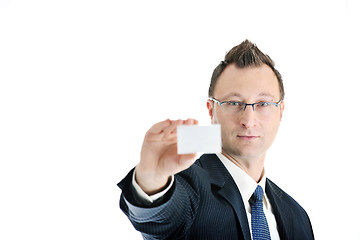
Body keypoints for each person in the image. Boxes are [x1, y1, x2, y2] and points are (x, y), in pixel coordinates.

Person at [118, 40, 314, 240]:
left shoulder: (297, 215)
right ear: (211, 111)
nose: (248, 120)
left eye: (263, 103)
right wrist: (151, 179)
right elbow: (159, 218)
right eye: (233, 103)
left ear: (280, 112)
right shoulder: (188, 184)